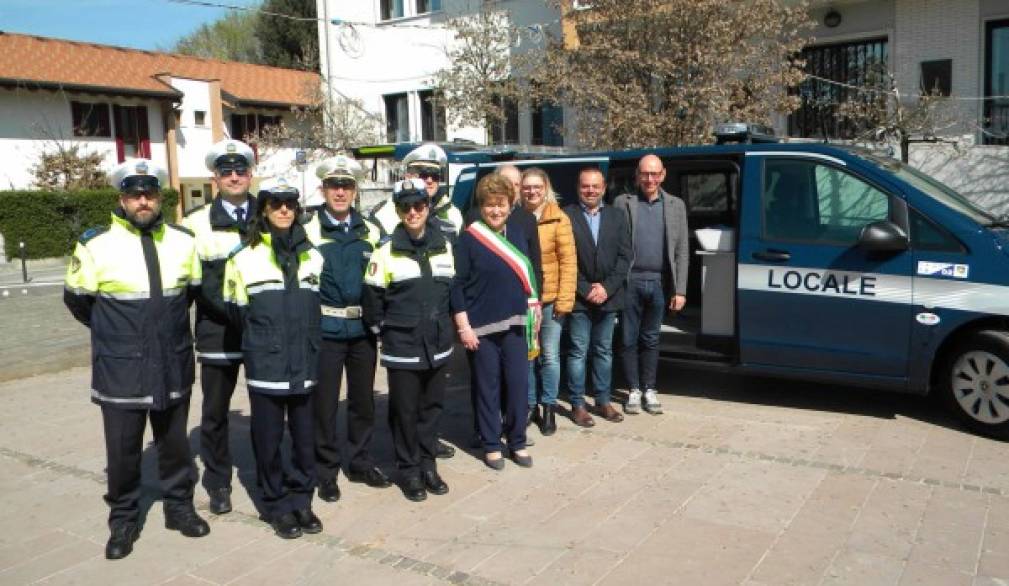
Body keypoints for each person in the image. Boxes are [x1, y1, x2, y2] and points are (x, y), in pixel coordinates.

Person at [64, 159, 210, 560]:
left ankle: (179, 509)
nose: (143, 201)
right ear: (121, 198)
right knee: (123, 451)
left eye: (149, 193)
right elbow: (78, 301)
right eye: (134, 194)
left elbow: (191, 295)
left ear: (159, 197)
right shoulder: (95, 244)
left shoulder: (183, 241)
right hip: (122, 367)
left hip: (172, 361)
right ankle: (124, 520)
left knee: (175, 445)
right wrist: (117, 335)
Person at [213, 177, 325, 539]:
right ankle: (276, 504)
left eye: (290, 203)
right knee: (269, 439)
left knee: (305, 439)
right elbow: (236, 313)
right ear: (263, 209)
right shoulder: (243, 259)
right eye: (275, 203)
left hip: (305, 365)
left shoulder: (313, 256)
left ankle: (302, 500)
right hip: (267, 366)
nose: (283, 210)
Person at [303, 155, 391, 502]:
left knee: (362, 401)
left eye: (346, 186)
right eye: (333, 186)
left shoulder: (371, 231)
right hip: (324, 329)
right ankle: (325, 471)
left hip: (362, 330)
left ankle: (360, 461)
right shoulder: (307, 230)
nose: (340, 192)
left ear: (355, 190)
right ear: (323, 189)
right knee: (323, 405)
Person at [363, 178, 455, 501]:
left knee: (432, 408)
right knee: (405, 411)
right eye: (406, 207)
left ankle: (428, 465)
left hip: (438, 344)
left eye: (418, 205)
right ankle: (410, 470)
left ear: (428, 207)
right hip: (403, 345)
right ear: (399, 210)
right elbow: (372, 301)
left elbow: (451, 293)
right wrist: (386, 331)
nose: (413, 212)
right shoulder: (385, 250)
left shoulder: (444, 245)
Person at [181, 138, 256, 516]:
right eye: (226, 171)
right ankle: (218, 481)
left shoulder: (273, 214)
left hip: (262, 332)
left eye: (240, 169)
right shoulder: (194, 224)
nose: (234, 176)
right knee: (214, 413)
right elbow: (186, 288)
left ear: (250, 173)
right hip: (217, 332)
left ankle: (267, 473)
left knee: (270, 409)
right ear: (215, 177)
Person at [453, 174, 539, 470]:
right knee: (487, 388)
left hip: (516, 324)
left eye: (501, 204)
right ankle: (491, 444)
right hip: (481, 327)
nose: (496, 210)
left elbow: (528, 275)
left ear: (510, 205)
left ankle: (517, 441)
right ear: (482, 206)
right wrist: (463, 326)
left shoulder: (516, 233)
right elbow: (457, 285)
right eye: (490, 205)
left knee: (517, 386)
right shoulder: (468, 238)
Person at [614, 155, 689, 415]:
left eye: (655, 174)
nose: (650, 179)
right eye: (645, 174)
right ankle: (633, 389)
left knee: (651, 338)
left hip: (659, 283)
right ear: (637, 175)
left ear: (663, 174)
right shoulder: (623, 203)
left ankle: (649, 388)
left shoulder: (676, 205)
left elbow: (682, 251)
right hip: (630, 282)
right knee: (628, 339)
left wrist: (680, 289)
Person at [564, 167, 632, 427]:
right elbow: (565, 259)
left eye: (595, 186)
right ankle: (578, 405)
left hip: (609, 297)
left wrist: (606, 287)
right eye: (585, 186)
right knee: (578, 351)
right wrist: (585, 288)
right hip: (579, 298)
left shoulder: (617, 216)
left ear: (604, 188)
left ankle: (603, 400)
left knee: (603, 350)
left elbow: (625, 256)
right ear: (578, 188)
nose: (590, 190)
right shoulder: (566, 216)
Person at [521, 167, 576, 436]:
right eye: (527, 187)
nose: (532, 192)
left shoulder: (559, 218)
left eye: (537, 187)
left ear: (546, 189)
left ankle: (549, 406)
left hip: (552, 300)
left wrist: (565, 301)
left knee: (550, 356)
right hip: (526, 302)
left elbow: (568, 262)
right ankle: (530, 404)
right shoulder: (516, 217)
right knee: (530, 356)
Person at [370, 143, 463, 244]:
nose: (430, 180)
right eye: (424, 175)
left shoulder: (453, 214)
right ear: (408, 177)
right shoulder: (383, 214)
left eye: (435, 175)